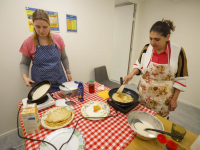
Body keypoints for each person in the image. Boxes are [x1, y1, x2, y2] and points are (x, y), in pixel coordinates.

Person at [123, 19, 188, 117]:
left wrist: (174, 99)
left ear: (167, 37)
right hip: (143, 93)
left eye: (156, 39)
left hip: (162, 99)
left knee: (157, 121)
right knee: (140, 116)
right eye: (150, 38)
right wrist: (131, 74)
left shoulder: (178, 52)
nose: (152, 43)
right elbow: (139, 66)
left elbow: (181, 77)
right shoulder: (147, 48)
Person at [19, 9, 72, 93]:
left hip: (59, 80)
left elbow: (64, 58)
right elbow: (24, 63)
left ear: (49, 25)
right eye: (38, 27)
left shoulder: (58, 39)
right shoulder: (28, 42)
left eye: (45, 27)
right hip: (41, 84)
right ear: (33, 25)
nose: (41, 31)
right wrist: (25, 78)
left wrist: (68, 72)